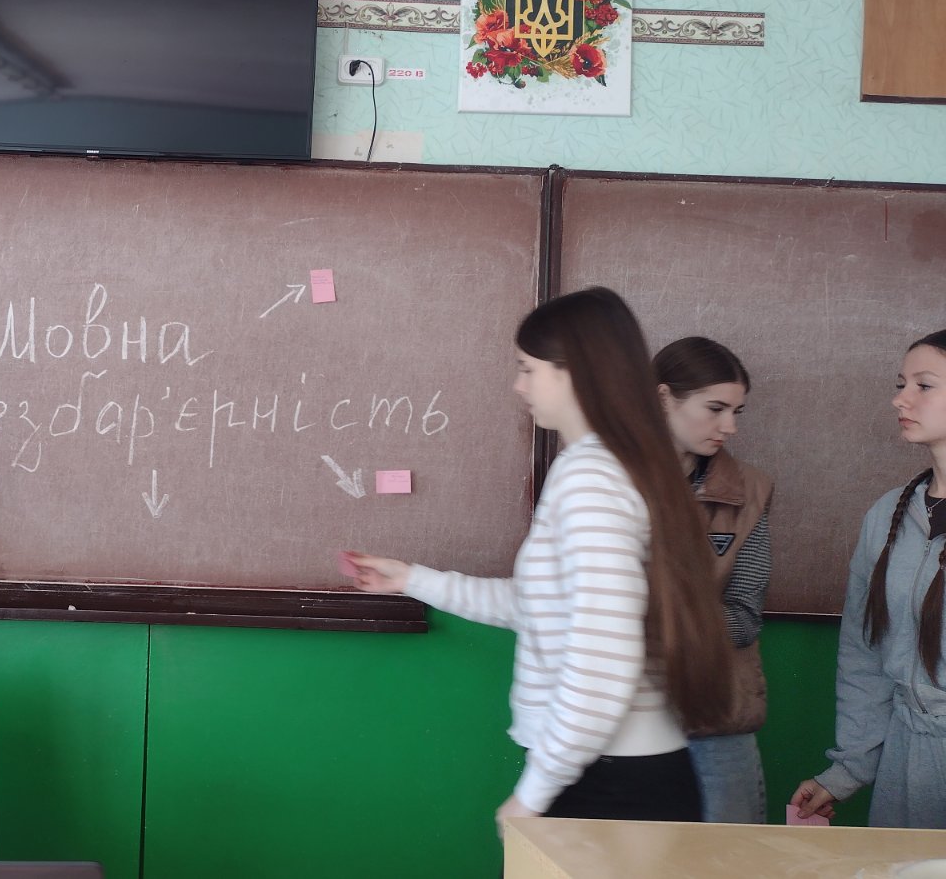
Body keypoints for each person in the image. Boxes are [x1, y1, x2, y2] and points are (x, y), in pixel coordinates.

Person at [347, 287, 734, 833]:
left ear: (575, 370)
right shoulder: (613, 466)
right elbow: (543, 607)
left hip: (611, 783)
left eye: (528, 368)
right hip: (618, 771)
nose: (519, 385)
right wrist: (412, 579)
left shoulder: (591, 479)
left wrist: (533, 795)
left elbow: (602, 658)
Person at [791, 330, 946, 829]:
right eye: (901, 384)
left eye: (924, 385)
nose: (901, 398)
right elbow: (865, 654)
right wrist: (848, 769)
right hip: (905, 764)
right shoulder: (888, 515)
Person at [654, 337, 774, 824]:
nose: (730, 427)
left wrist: (651, 610)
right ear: (663, 398)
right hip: (619, 716)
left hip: (717, 720)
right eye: (715, 409)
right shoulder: (601, 479)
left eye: (736, 411)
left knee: (729, 856)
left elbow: (743, 618)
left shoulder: (750, 489)